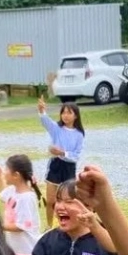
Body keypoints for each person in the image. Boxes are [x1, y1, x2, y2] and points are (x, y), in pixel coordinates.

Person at [38, 97, 85, 228]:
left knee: (67, 201)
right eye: (63, 112)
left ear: (76, 116)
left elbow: (76, 156)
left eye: (69, 113)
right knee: (51, 201)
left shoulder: (79, 134)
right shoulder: (56, 129)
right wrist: (42, 110)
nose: (65, 115)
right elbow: (46, 121)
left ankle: (65, 226)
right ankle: (48, 227)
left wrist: (63, 153)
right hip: (55, 165)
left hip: (69, 168)